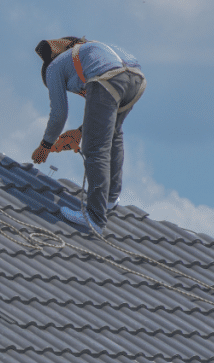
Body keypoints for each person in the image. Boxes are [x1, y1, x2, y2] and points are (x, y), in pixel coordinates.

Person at [31, 37, 146, 235]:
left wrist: (45, 145)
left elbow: (59, 114)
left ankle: (95, 217)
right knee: (114, 134)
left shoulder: (54, 68)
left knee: (94, 148)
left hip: (109, 79)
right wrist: (80, 132)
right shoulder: (92, 49)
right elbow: (103, 116)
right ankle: (110, 199)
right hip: (137, 80)